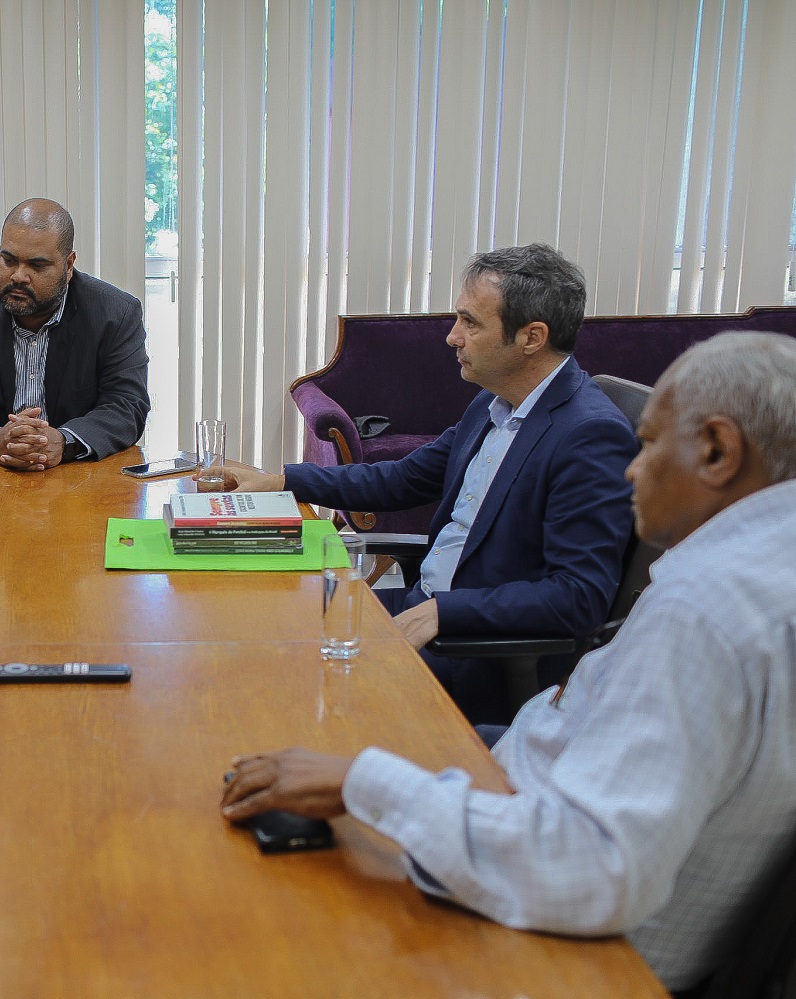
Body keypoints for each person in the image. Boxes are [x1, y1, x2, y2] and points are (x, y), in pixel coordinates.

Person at [221, 332, 796, 993]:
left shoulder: (706, 613)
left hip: (559, 944)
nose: (632, 470)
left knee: (266, 921)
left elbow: (588, 868)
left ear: (718, 450)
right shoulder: (765, 567)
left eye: (650, 444)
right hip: (531, 789)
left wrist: (365, 784)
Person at [229, 244, 637, 723]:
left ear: (531, 337)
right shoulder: (495, 402)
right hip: (421, 607)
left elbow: (577, 596)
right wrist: (282, 481)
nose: (452, 337)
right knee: (252, 625)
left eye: (470, 322)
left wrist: (447, 612)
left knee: (267, 687)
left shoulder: (589, 435)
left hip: (472, 650)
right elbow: (402, 479)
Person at [0, 198, 151, 471]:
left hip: (76, 481)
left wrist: (63, 441)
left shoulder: (114, 314)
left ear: (69, 265)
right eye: (8, 260)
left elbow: (126, 406)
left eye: (37, 266)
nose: (18, 276)